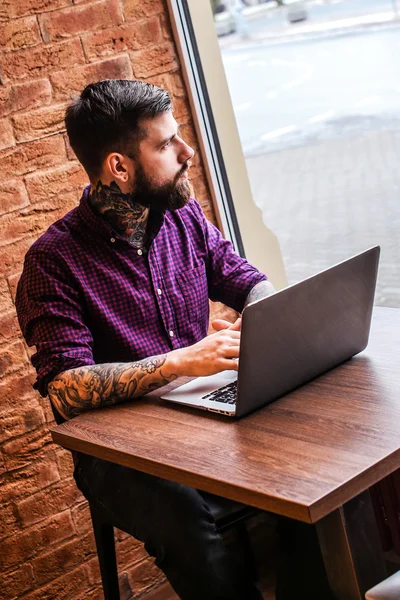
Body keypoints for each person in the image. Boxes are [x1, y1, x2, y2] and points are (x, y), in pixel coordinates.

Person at [16, 79, 332, 600]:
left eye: (179, 136)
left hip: (206, 411)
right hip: (117, 452)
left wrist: (268, 315)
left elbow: (244, 279)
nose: (187, 153)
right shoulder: (53, 262)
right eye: (165, 144)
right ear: (119, 167)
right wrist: (182, 361)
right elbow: (66, 390)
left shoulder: (183, 214)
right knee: (186, 521)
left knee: (315, 462)